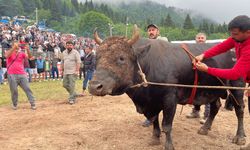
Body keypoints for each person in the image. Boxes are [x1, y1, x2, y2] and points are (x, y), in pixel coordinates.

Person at [193, 15, 250, 105]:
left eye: (235, 34)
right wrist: (203, 55)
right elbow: (222, 47)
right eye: (231, 33)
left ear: (248, 32)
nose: (232, 36)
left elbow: (234, 74)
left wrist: (207, 69)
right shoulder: (238, 39)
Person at [142, 24, 168, 127]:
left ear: (158, 31)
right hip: (149, 74)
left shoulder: (163, 40)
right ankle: (150, 118)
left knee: (163, 98)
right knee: (149, 98)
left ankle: (165, 121)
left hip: (162, 74)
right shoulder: (145, 43)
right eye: (149, 30)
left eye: (153, 30)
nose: (151, 32)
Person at [186, 32, 210, 124]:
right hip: (195, 74)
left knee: (207, 93)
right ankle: (196, 111)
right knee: (196, 92)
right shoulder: (193, 49)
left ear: (205, 39)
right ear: (196, 39)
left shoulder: (209, 48)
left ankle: (207, 115)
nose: (200, 39)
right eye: (198, 38)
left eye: (202, 38)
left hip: (207, 74)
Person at [5, 41, 36, 110]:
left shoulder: (21, 53)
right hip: (11, 74)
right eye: (15, 45)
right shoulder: (9, 52)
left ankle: (33, 103)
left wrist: (28, 50)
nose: (17, 46)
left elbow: (30, 57)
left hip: (22, 74)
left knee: (27, 89)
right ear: (12, 45)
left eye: (18, 45)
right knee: (14, 91)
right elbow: (6, 56)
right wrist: (13, 48)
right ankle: (14, 104)